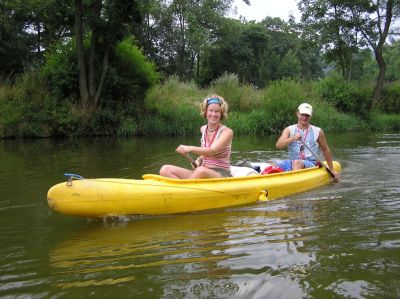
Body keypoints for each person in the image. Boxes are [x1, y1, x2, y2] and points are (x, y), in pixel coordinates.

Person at [159, 95, 233, 179]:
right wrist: (199, 160)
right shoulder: (203, 129)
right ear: (205, 112)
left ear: (221, 113)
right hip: (202, 172)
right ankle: (184, 189)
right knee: (165, 169)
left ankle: (185, 190)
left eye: (217, 111)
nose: (213, 114)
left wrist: (190, 148)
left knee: (200, 171)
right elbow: (204, 153)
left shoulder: (227, 132)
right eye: (211, 110)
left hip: (221, 174)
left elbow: (212, 151)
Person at [275, 103, 339, 180]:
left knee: (297, 162)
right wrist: (292, 138)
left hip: (311, 164)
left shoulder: (317, 131)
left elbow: (325, 150)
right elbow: (278, 145)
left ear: (310, 116)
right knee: (273, 163)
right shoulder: (289, 129)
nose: (304, 117)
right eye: (302, 114)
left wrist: (331, 169)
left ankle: (295, 185)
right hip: (292, 162)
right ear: (297, 114)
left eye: (307, 115)